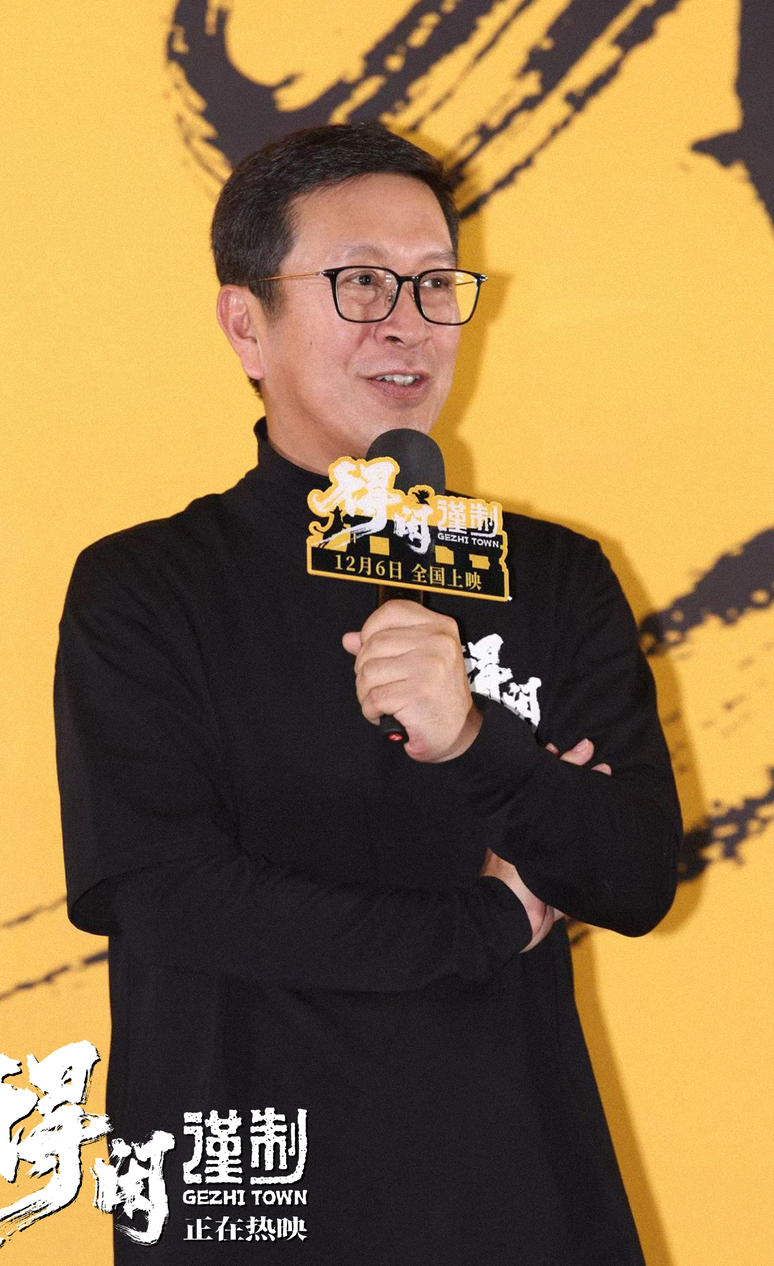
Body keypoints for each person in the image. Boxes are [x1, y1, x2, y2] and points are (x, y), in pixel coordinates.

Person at [54, 122, 682, 1264]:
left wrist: (478, 743)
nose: (408, 322)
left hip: (517, 1197)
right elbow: (171, 897)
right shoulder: (147, 585)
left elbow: (633, 872)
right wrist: (490, 920)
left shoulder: (548, 575)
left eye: (436, 284)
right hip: (259, 1202)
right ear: (245, 322)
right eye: (359, 283)